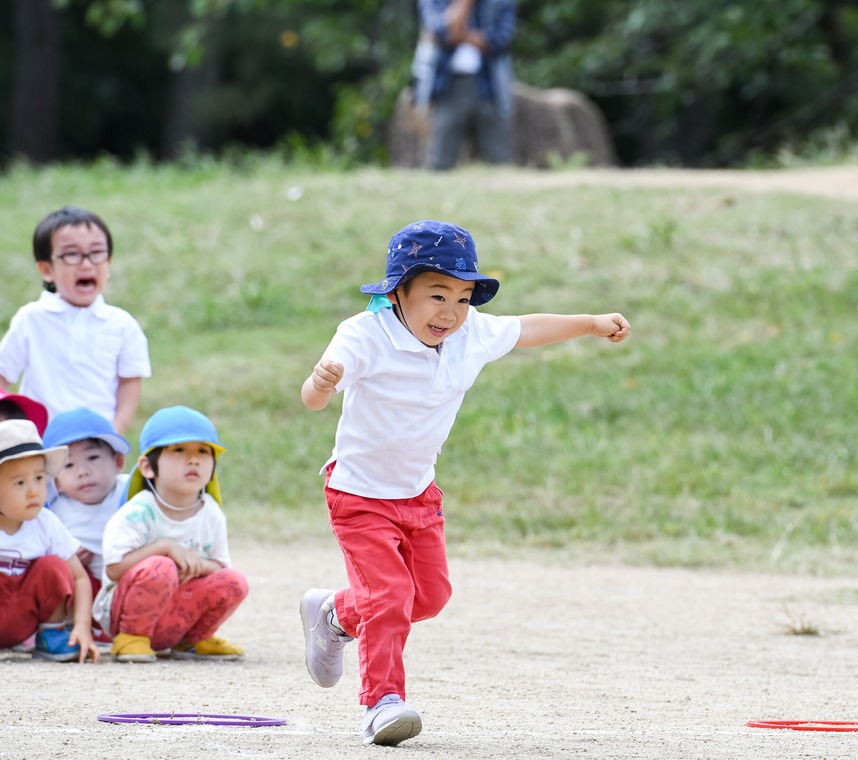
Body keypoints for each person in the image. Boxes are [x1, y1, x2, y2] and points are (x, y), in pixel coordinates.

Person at [299, 219, 630, 746]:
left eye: (462, 297)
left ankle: (334, 614)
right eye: (436, 295)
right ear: (397, 292)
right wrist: (319, 384)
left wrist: (590, 323)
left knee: (427, 597)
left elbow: (528, 328)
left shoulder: (470, 332)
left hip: (418, 493)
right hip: (359, 494)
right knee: (389, 594)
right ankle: (381, 703)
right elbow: (313, 400)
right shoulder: (363, 335)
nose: (450, 311)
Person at [93, 406, 248, 664]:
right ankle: (132, 638)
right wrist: (165, 547)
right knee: (160, 566)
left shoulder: (211, 513)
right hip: (128, 612)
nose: (193, 460)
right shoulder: (138, 511)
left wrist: (198, 566)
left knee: (234, 581)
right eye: (179, 450)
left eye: (203, 451)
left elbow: (220, 566)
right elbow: (114, 569)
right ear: (147, 466)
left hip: (179, 610)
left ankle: (192, 640)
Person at [0, 206, 151, 434]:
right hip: (41, 442)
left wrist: (116, 429)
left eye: (97, 252)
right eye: (72, 254)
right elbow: (3, 374)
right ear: (46, 269)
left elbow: (130, 382)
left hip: (98, 441)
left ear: (109, 261)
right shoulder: (32, 319)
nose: (87, 264)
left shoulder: (122, 324)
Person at [0, 419, 99, 663]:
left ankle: (51, 632)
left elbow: (79, 577)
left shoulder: (46, 523)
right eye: (20, 483)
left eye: (39, 478)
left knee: (52, 565)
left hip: (25, 616)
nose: (34, 491)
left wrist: (82, 626)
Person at [417, 0, 516, 170]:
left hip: (490, 84)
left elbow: (500, 40)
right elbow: (439, 29)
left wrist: (458, 36)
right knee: (441, 161)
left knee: (499, 158)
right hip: (449, 85)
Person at [43, 407, 131, 596]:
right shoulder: (53, 511)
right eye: (68, 465)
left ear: (118, 462)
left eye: (92, 457)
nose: (83, 471)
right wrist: (72, 564)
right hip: (84, 593)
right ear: (56, 481)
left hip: (132, 585)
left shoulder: (131, 493)